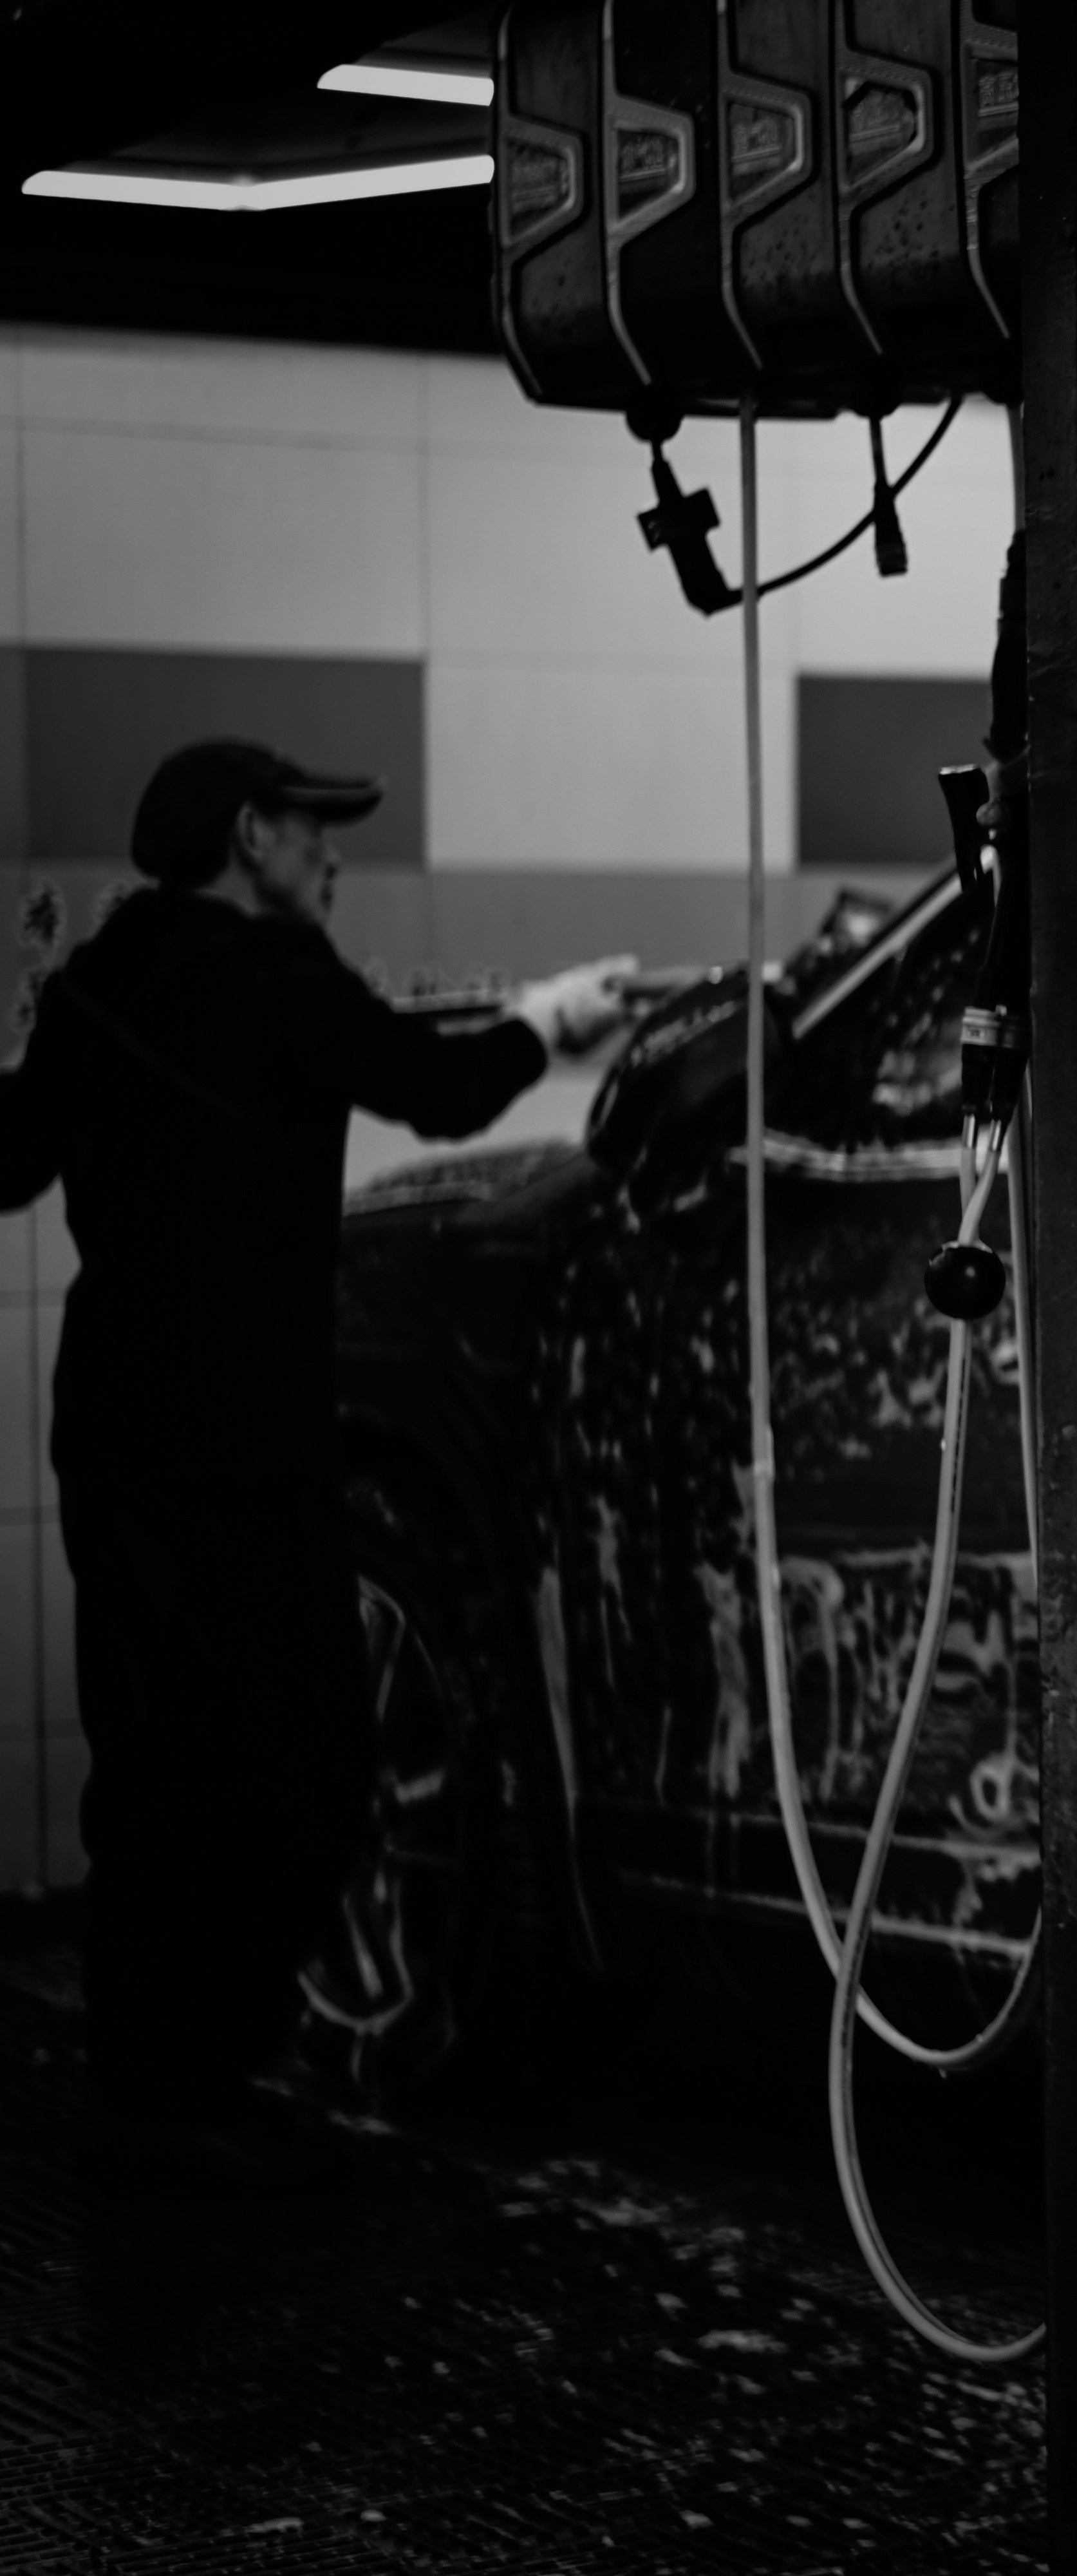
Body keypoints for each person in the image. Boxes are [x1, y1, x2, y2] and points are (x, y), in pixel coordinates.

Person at [0, 740, 633, 2185]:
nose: (332, 856)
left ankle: (148, 2072)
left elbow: (10, 1159)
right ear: (250, 838)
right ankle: (215, 2053)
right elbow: (445, 1091)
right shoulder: (286, 979)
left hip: (115, 1430)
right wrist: (556, 1021)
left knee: (149, 1753)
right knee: (312, 1753)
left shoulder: (97, 988)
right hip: (254, 1440)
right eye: (314, 831)